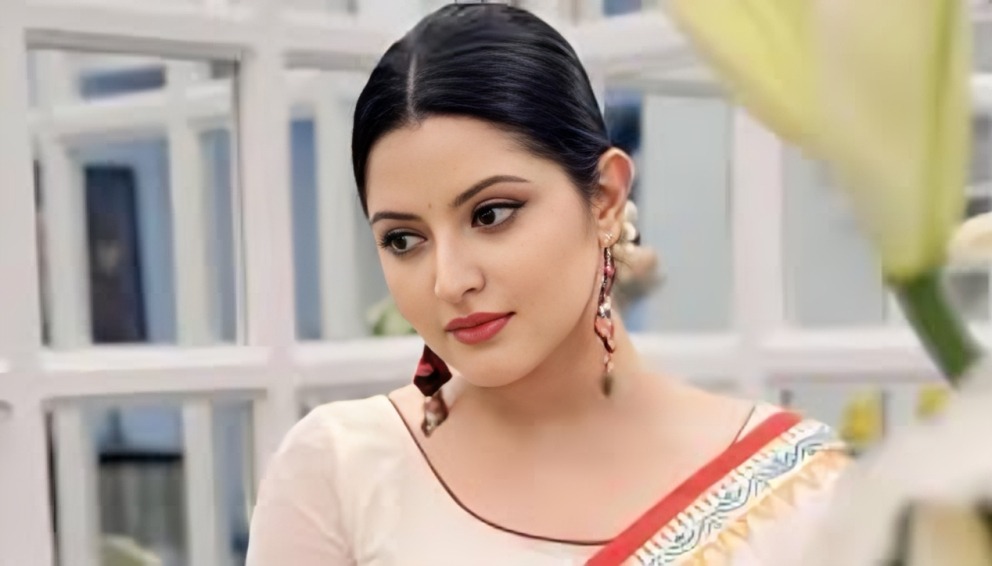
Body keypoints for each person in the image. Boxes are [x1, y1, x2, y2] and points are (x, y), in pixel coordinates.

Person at [245, 4, 849, 565]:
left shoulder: (799, 490)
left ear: (605, 198)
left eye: (491, 214)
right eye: (404, 240)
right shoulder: (340, 473)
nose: (449, 282)